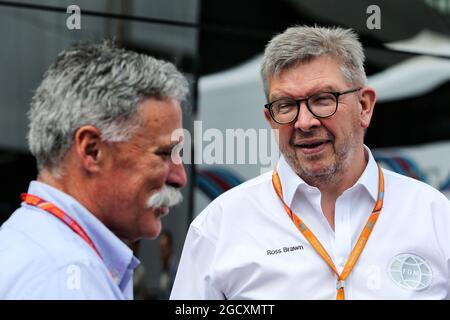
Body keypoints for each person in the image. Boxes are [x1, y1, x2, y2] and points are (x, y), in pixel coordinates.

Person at [170, 26, 450, 300]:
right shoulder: (219, 226)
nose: (304, 122)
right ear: (270, 119)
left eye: (323, 99)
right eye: (286, 106)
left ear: (364, 106)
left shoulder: (434, 216)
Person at [0, 41, 189, 299]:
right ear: (92, 150)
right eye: (164, 153)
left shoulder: (28, 241)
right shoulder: (67, 277)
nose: (180, 177)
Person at [158, 229, 178, 299]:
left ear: (170, 247)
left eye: (164, 248)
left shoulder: (176, 269)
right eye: (161, 248)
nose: (162, 253)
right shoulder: (164, 268)